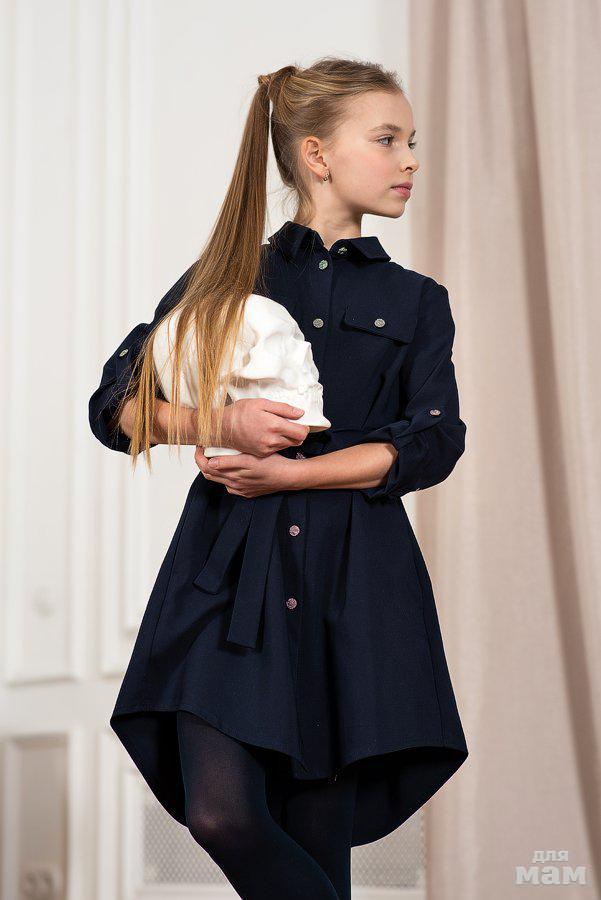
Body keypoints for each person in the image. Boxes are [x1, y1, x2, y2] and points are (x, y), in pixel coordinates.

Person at [88, 56, 469, 900]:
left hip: (351, 581)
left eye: (411, 141)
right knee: (221, 814)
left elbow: (433, 442)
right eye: (387, 139)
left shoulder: (418, 301)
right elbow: (115, 405)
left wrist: (295, 475)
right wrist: (218, 424)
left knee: (317, 839)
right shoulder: (226, 278)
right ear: (315, 153)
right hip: (228, 577)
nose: (410, 159)